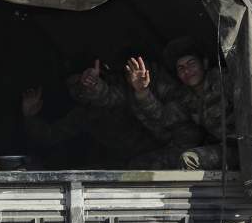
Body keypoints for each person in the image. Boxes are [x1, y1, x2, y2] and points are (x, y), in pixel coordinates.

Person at [20, 61, 164, 169]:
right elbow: (50, 136)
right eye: (71, 87)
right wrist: (30, 116)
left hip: (155, 159)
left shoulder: (120, 95)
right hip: (121, 167)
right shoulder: (83, 114)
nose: (77, 90)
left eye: (81, 82)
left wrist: (96, 86)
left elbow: (158, 118)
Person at [125, 37, 237, 170]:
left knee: (188, 159)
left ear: (204, 64)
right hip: (222, 148)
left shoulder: (223, 81)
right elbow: (164, 118)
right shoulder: (185, 97)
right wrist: (142, 91)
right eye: (181, 68)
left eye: (192, 64)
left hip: (245, 148)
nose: (187, 71)